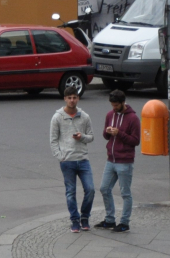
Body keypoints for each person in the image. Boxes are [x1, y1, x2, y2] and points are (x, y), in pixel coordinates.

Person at [50, 86, 95, 233]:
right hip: (67, 161)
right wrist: (60, 157)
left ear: (78, 98)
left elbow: (91, 137)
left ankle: (85, 217)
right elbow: (53, 140)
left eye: (74, 97)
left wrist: (81, 136)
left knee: (90, 189)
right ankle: (74, 220)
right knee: (70, 192)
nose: (72, 100)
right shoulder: (57, 117)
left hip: (83, 159)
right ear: (65, 99)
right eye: (69, 98)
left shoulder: (85, 117)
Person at [96, 90, 140, 233]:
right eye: (112, 105)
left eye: (116, 105)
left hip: (125, 161)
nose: (114, 108)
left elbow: (135, 141)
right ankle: (110, 219)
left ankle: (124, 222)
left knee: (125, 193)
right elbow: (105, 136)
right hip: (111, 159)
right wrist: (107, 131)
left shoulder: (133, 118)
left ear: (123, 103)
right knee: (104, 188)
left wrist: (119, 133)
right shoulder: (110, 115)